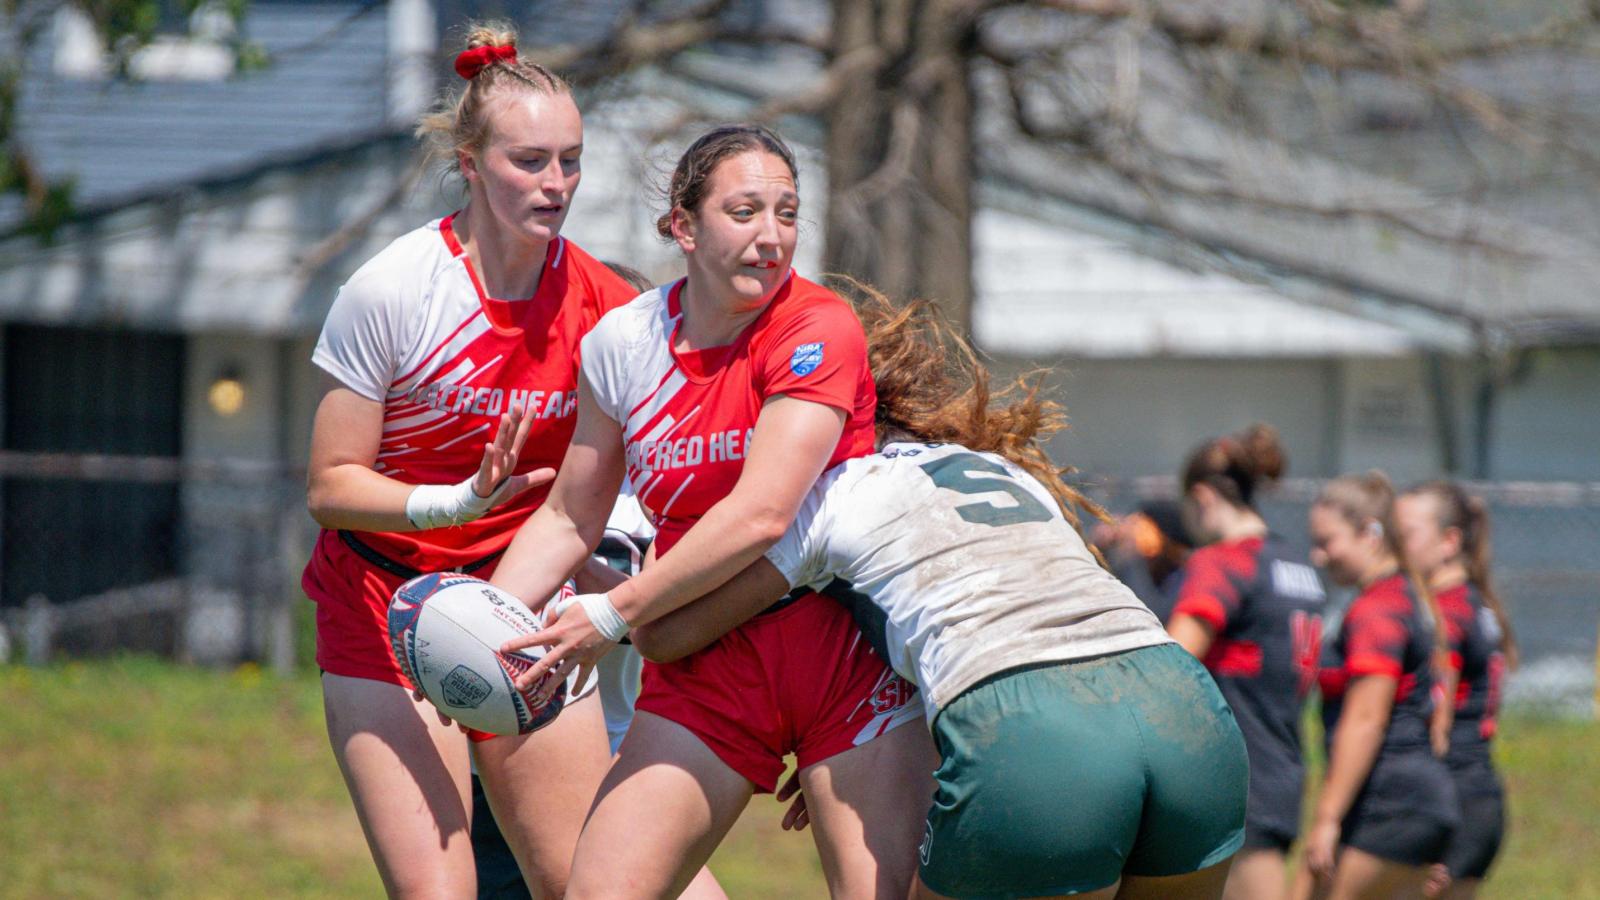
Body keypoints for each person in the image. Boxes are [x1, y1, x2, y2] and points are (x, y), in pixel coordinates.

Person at [624, 282, 1249, 899]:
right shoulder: (998, 468)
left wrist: (661, 537)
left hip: (1037, 732)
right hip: (1183, 705)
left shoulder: (827, 496)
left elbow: (666, 635)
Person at [490, 125, 931, 899]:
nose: (772, 237)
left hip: (847, 658)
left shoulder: (816, 326)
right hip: (706, 662)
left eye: (788, 214)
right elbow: (567, 518)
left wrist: (610, 615)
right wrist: (488, 623)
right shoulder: (623, 343)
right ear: (683, 227)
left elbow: (762, 515)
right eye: (745, 211)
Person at [302, 23, 632, 897]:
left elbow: (617, 477)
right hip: (382, 602)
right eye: (530, 160)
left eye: (571, 160)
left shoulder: (608, 305)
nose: (555, 184)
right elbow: (330, 487)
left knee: (588, 881)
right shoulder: (394, 288)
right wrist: (450, 503)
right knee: (439, 890)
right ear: (471, 160)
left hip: (517, 596)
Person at [1166, 425, 1326, 900]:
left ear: (1202, 497)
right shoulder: (1297, 565)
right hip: (1285, 763)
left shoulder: (1222, 562)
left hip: (1236, 773)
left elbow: (1170, 663)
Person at [1295, 473, 1459, 900]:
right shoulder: (1401, 595)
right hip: (1412, 802)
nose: (1317, 555)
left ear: (1370, 534)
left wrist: (1326, 819)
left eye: (1327, 541)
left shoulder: (1379, 609)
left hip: (1387, 803)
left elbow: (1367, 719)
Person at [1395, 482, 1516, 899]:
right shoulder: (1477, 602)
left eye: (1406, 534)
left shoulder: (1446, 612)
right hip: (1480, 794)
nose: (1394, 546)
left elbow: (1437, 722)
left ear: (1449, 541)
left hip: (1451, 797)